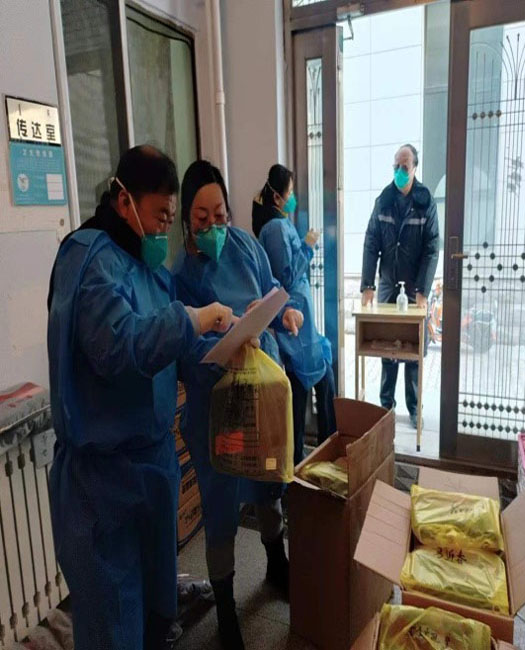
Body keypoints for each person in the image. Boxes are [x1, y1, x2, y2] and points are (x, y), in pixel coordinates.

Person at [47, 145, 235, 650]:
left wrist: (229, 345)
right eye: (158, 216)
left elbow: (179, 350)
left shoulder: (150, 270)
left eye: (170, 221)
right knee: (113, 621)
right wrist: (192, 317)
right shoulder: (87, 260)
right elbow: (119, 346)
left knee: (156, 612)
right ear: (124, 200)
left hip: (151, 468)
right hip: (101, 481)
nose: (161, 231)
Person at [173, 160, 304, 650]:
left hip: (260, 395)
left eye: (221, 215)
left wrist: (282, 313)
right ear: (187, 220)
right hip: (218, 408)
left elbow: (271, 291)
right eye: (202, 219)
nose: (214, 227)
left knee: (270, 481)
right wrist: (224, 340)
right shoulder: (180, 276)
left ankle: (275, 562)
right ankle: (226, 605)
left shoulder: (246, 245)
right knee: (223, 503)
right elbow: (185, 348)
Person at [253, 164, 336, 466]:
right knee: (300, 396)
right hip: (292, 325)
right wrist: (308, 247)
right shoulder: (275, 229)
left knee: (320, 381)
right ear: (276, 197)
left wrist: (303, 246)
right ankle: (298, 468)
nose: (293, 198)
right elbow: (286, 277)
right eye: (289, 193)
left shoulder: (281, 224)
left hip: (303, 324)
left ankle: (326, 454)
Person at [361, 144, 439, 428]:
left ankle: (414, 408)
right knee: (387, 349)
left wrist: (423, 290)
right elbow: (371, 242)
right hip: (388, 285)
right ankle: (385, 407)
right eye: (395, 166)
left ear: (415, 168)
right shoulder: (383, 200)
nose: (399, 171)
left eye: (404, 167)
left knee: (413, 350)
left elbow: (432, 248)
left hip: (415, 289)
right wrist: (367, 284)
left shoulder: (425, 202)